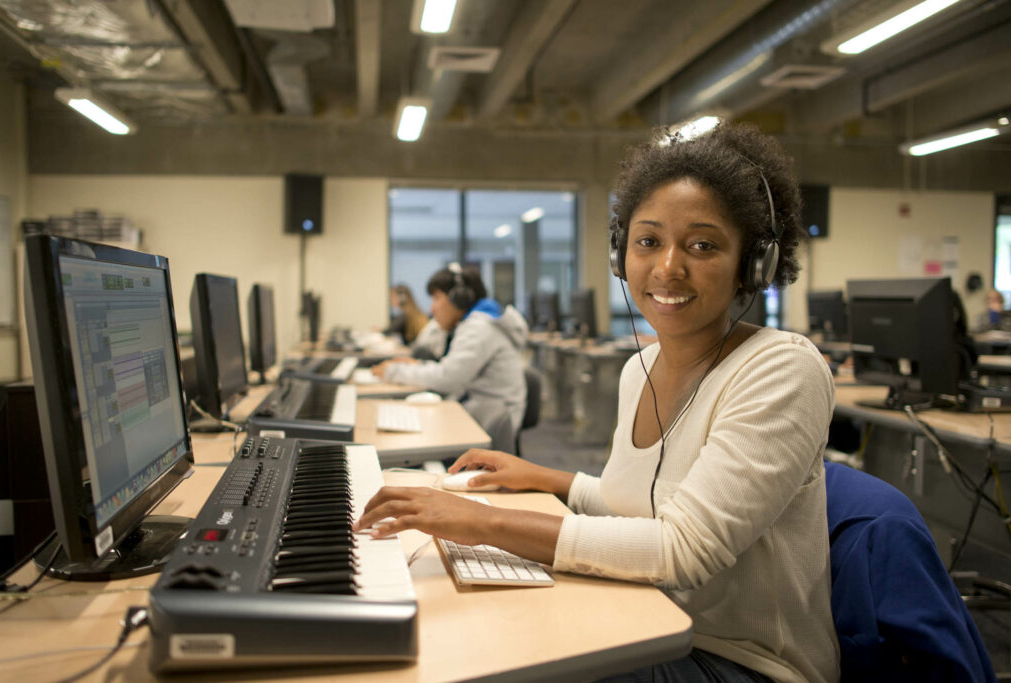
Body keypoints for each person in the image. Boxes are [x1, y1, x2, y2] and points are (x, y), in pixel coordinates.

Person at [358, 123, 840, 682]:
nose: (667, 268)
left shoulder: (782, 368)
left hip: (739, 661)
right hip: (647, 614)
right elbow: (635, 504)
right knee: (466, 632)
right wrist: (544, 478)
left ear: (753, 265)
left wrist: (483, 522)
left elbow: (682, 550)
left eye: (703, 245)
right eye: (648, 241)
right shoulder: (639, 368)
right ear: (621, 255)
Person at [373, 264, 528, 453]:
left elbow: (448, 378)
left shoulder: (479, 328)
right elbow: (449, 369)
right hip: (475, 410)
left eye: (437, 298)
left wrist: (393, 371)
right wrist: (418, 365)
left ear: (460, 299)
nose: (433, 308)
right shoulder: (476, 323)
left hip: (488, 423)